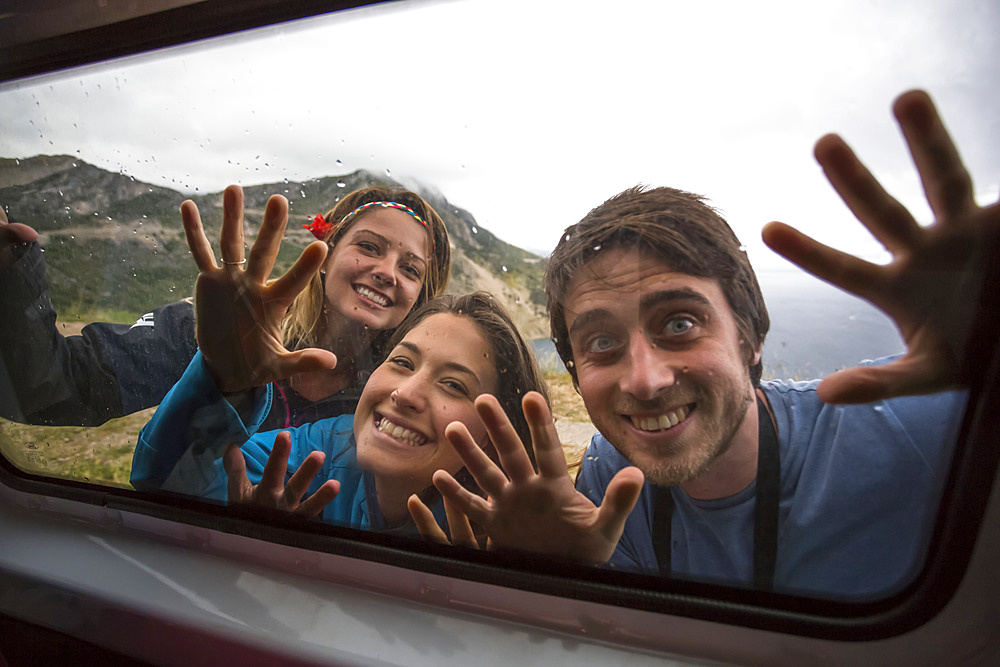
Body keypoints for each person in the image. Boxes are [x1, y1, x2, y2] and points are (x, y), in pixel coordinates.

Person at [414, 89, 996, 599]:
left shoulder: (910, 426)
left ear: (750, 337)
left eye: (679, 324)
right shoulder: (608, 481)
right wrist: (550, 582)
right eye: (601, 341)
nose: (644, 379)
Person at [0, 183, 451, 428]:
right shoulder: (212, 330)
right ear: (325, 252)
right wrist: (10, 271)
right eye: (369, 247)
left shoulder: (401, 399)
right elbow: (53, 392)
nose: (388, 272)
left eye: (411, 269)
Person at [131, 292, 548, 535]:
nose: (405, 393)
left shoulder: (519, 525)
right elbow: (162, 484)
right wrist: (220, 377)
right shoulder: (308, 455)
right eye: (402, 363)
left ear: (498, 434)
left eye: (454, 385)